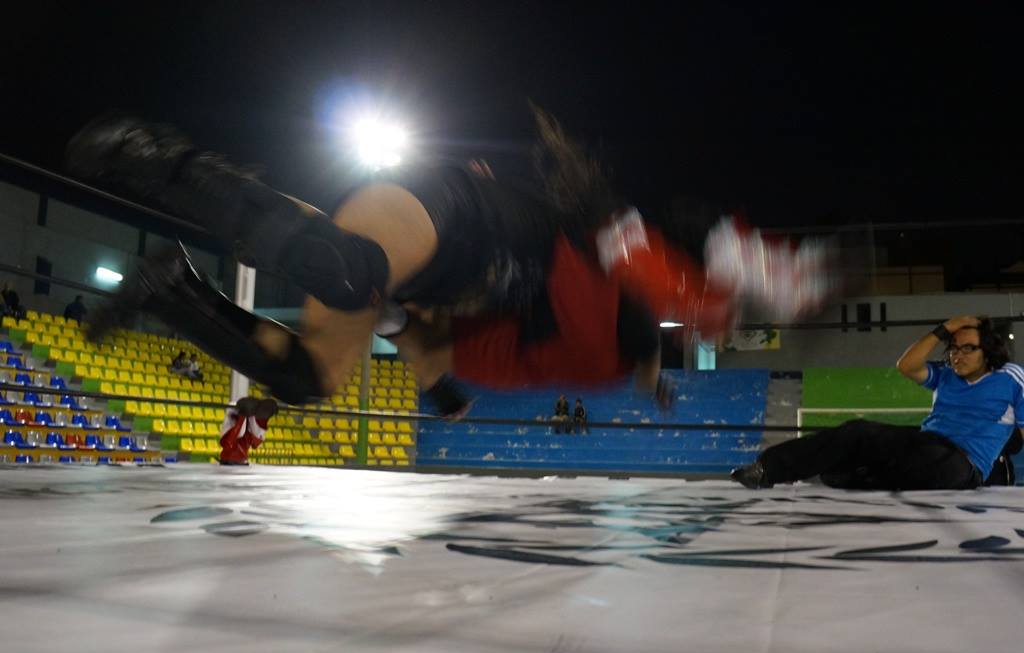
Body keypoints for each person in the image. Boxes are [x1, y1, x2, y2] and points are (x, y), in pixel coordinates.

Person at [67, 108, 837, 410]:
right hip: (470, 221)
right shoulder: (593, 294)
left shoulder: (502, 342)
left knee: (309, 378)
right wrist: (716, 278)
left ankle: (171, 289)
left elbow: (422, 342)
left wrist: (438, 391)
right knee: (355, 272)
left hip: (426, 267)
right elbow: (612, 236)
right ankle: (160, 160)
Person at [731, 316, 1024, 490]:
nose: (957, 355)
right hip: (927, 441)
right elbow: (906, 365)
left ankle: (859, 473)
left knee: (900, 466)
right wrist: (944, 328)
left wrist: (997, 443)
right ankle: (766, 470)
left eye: (968, 348)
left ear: (988, 350)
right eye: (954, 348)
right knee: (858, 432)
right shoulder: (946, 375)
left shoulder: (1011, 378)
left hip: (963, 462)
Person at [219, 397, 278, 465]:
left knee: (250, 432)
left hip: (239, 458)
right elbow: (229, 441)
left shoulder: (251, 424)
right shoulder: (233, 416)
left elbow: (255, 442)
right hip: (230, 458)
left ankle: (246, 411)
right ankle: (243, 411)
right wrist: (242, 415)